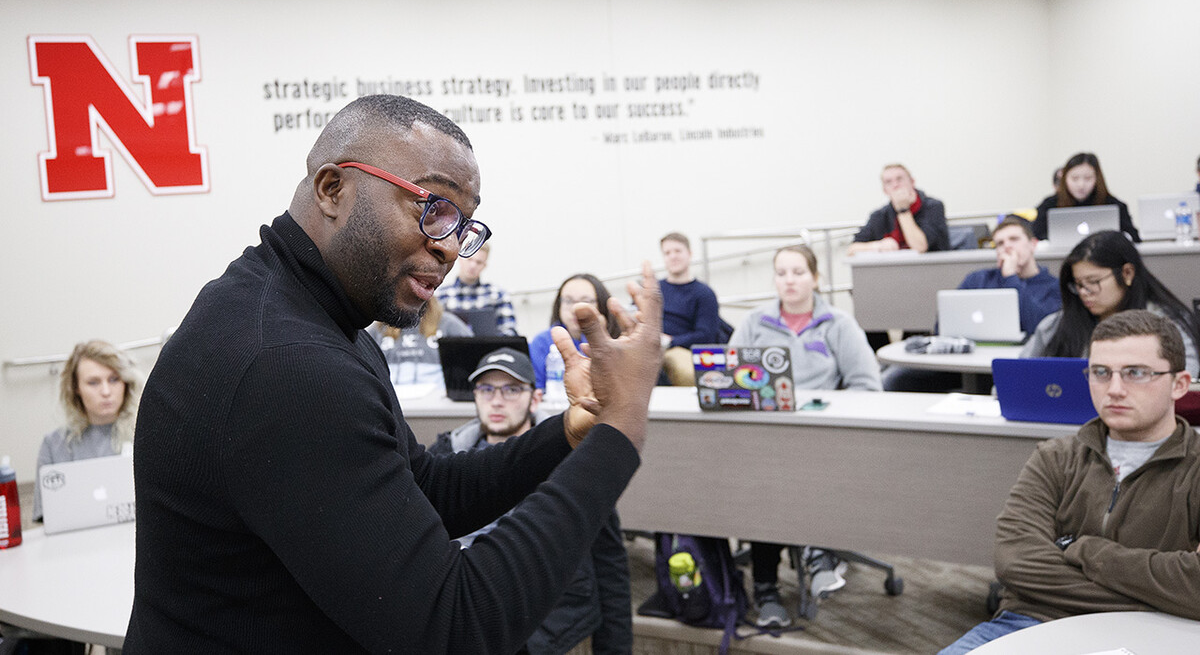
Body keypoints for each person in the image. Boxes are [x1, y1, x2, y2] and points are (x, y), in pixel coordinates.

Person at [124, 94, 664, 654]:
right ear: (333, 189)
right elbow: (456, 626)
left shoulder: (319, 319)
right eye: (433, 207)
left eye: (464, 223)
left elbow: (423, 489)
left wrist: (572, 433)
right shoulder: (288, 363)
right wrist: (620, 431)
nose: (451, 245)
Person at [939, 310, 1199, 654]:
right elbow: (1017, 563)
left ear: (1179, 384)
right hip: (1031, 621)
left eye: (1136, 373)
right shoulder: (1055, 457)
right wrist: (1161, 595)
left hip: (1156, 635)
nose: (1115, 389)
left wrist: (1087, 550)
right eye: (1101, 373)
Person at [429, 348, 632, 654]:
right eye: (486, 389)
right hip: (461, 606)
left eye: (511, 389)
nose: (497, 401)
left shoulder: (570, 459)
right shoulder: (445, 457)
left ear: (535, 398)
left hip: (542, 618)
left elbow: (609, 565)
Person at [728, 245, 882, 627]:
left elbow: (868, 387)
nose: (789, 280)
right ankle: (774, 583)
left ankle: (813, 551)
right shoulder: (753, 323)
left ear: (815, 277)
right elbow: (729, 382)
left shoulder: (839, 324)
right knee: (763, 480)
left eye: (798, 272)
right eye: (781, 273)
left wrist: (827, 410)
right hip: (765, 435)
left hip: (821, 436)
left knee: (785, 478)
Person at [883, 215, 1062, 392]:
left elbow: (1038, 327)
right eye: (999, 243)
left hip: (1016, 367)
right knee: (894, 379)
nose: (1007, 246)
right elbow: (943, 325)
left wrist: (1011, 278)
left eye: (1014, 239)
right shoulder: (978, 279)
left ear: (1033, 244)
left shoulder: (1052, 286)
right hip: (962, 363)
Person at [1021, 230, 1199, 375]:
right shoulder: (1058, 324)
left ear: (1127, 273)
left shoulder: (1166, 324)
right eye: (1079, 285)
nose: (1084, 293)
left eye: (1093, 282)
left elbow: (1184, 380)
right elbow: (1017, 374)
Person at [33, 340, 141, 522]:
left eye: (114, 379)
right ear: (76, 388)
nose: (106, 391)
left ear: (126, 382)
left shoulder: (145, 434)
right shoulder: (54, 444)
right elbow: (45, 518)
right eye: (93, 382)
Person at [529, 273, 622, 390]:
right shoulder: (542, 341)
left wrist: (598, 335)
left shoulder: (619, 339)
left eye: (586, 301)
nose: (575, 309)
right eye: (568, 301)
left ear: (601, 306)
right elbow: (537, 390)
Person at [366, 295, 472, 392]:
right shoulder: (379, 327)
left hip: (436, 399)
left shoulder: (448, 323)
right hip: (391, 397)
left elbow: (473, 352)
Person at [1030, 152, 1140, 242]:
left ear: (1097, 179)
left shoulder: (1113, 205)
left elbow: (1133, 237)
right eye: (1074, 178)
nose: (1081, 185)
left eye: (1087, 178)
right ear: (1065, 179)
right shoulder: (1050, 205)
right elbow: (1034, 236)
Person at [659, 231, 722, 385]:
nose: (673, 256)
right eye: (667, 253)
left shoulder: (704, 294)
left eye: (677, 251)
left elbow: (705, 335)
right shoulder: (654, 289)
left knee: (679, 367)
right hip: (650, 346)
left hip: (682, 350)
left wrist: (670, 341)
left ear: (689, 254)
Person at [847, 163, 950, 256]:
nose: (895, 185)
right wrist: (878, 245)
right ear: (885, 190)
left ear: (912, 182)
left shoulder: (933, 207)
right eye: (888, 182)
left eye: (899, 179)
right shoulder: (880, 215)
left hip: (931, 270)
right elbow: (852, 250)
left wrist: (903, 209)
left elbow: (919, 247)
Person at [434, 241, 518, 336]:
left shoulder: (498, 295)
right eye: (469, 259)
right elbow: (431, 331)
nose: (473, 266)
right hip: (451, 349)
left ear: (484, 266)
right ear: (460, 258)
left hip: (489, 349)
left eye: (479, 262)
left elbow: (509, 333)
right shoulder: (440, 295)